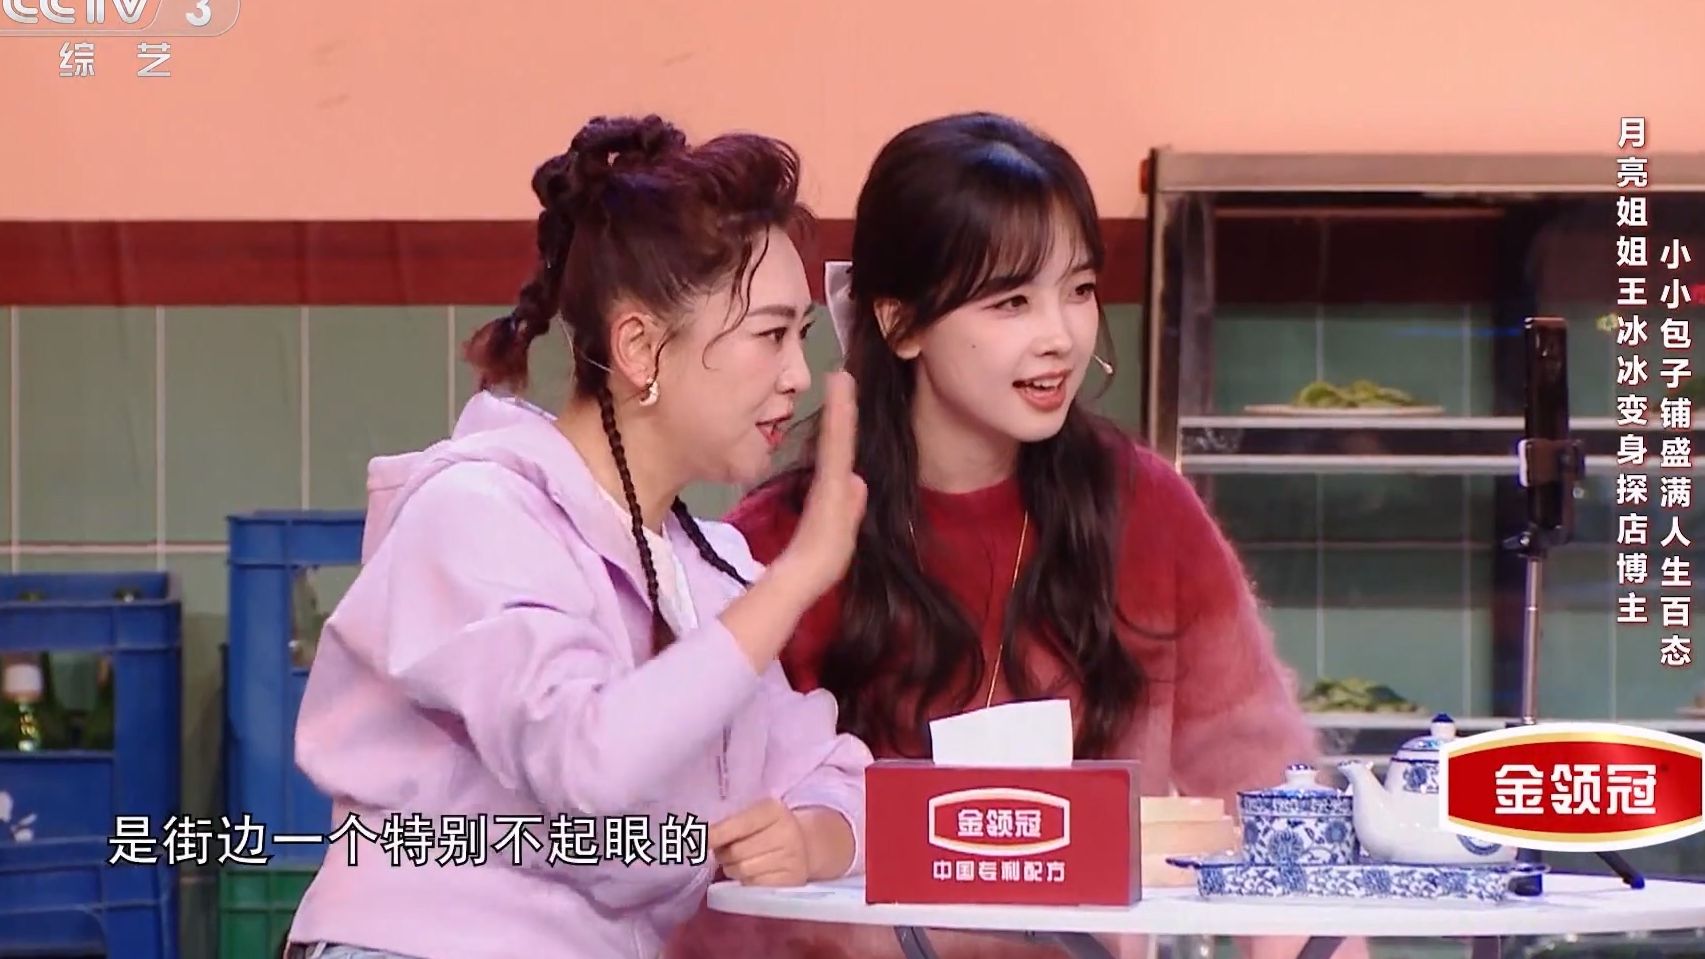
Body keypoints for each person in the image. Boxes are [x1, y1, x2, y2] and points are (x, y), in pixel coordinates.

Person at [668, 112, 1362, 959]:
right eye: (1011, 302)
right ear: (900, 322)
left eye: (1078, 290)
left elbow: (1268, 793)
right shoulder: (776, 546)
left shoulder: (1145, 509)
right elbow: (717, 868)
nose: (1059, 336)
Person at [283, 113, 874, 959]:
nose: (795, 376)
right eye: (769, 335)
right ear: (640, 346)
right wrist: (795, 579)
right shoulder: (477, 512)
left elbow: (832, 767)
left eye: (803, 337)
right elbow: (586, 761)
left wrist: (814, 835)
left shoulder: (709, 569)